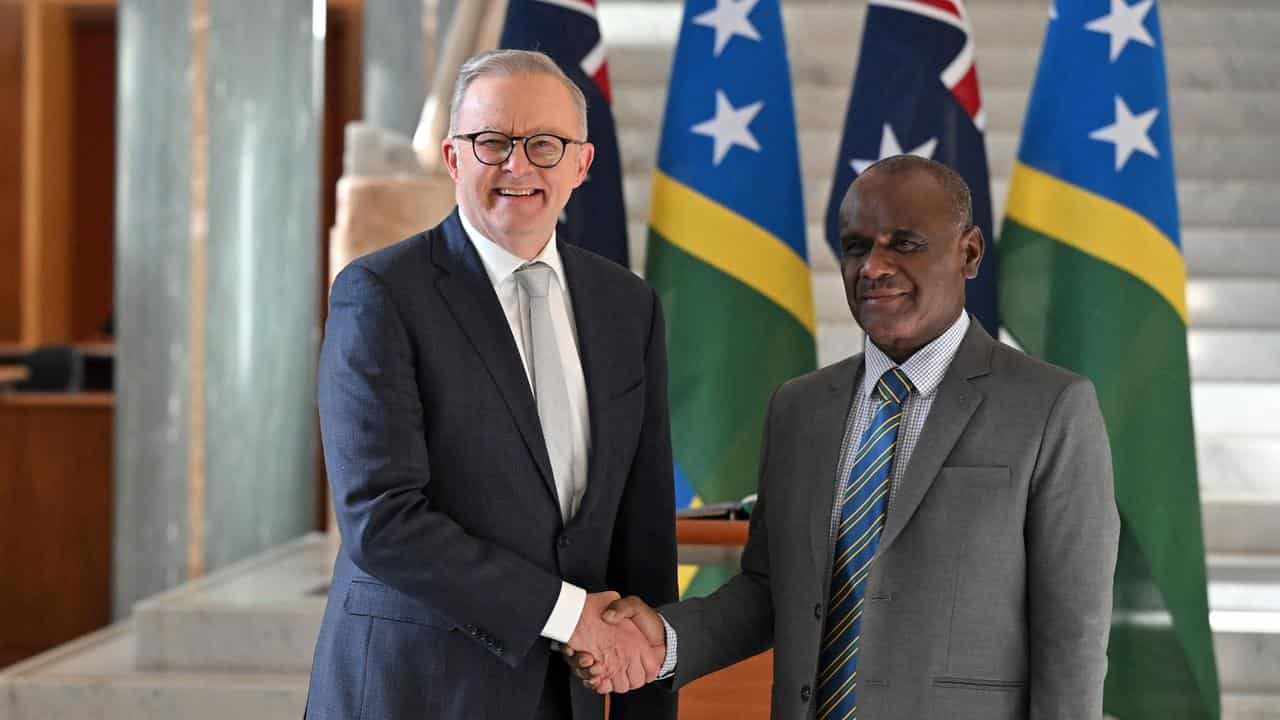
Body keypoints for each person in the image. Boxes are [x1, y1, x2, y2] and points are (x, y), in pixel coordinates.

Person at [574, 155, 1120, 719]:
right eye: (856, 247)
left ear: (970, 252)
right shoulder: (799, 408)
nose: (873, 267)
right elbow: (769, 590)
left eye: (905, 244)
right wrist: (663, 640)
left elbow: (1071, 634)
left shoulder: (1051, 407)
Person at [304, 49, 676, 720]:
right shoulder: (382, 294)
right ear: (452, 157)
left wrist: (649, 699)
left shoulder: (629, 306)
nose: (518, 165)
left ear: (581, 164)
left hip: (567, 698)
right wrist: (569, 616)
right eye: (492, 142)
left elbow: (640, 528)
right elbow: (382, 520)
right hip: (416, 692)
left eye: (543, 144)